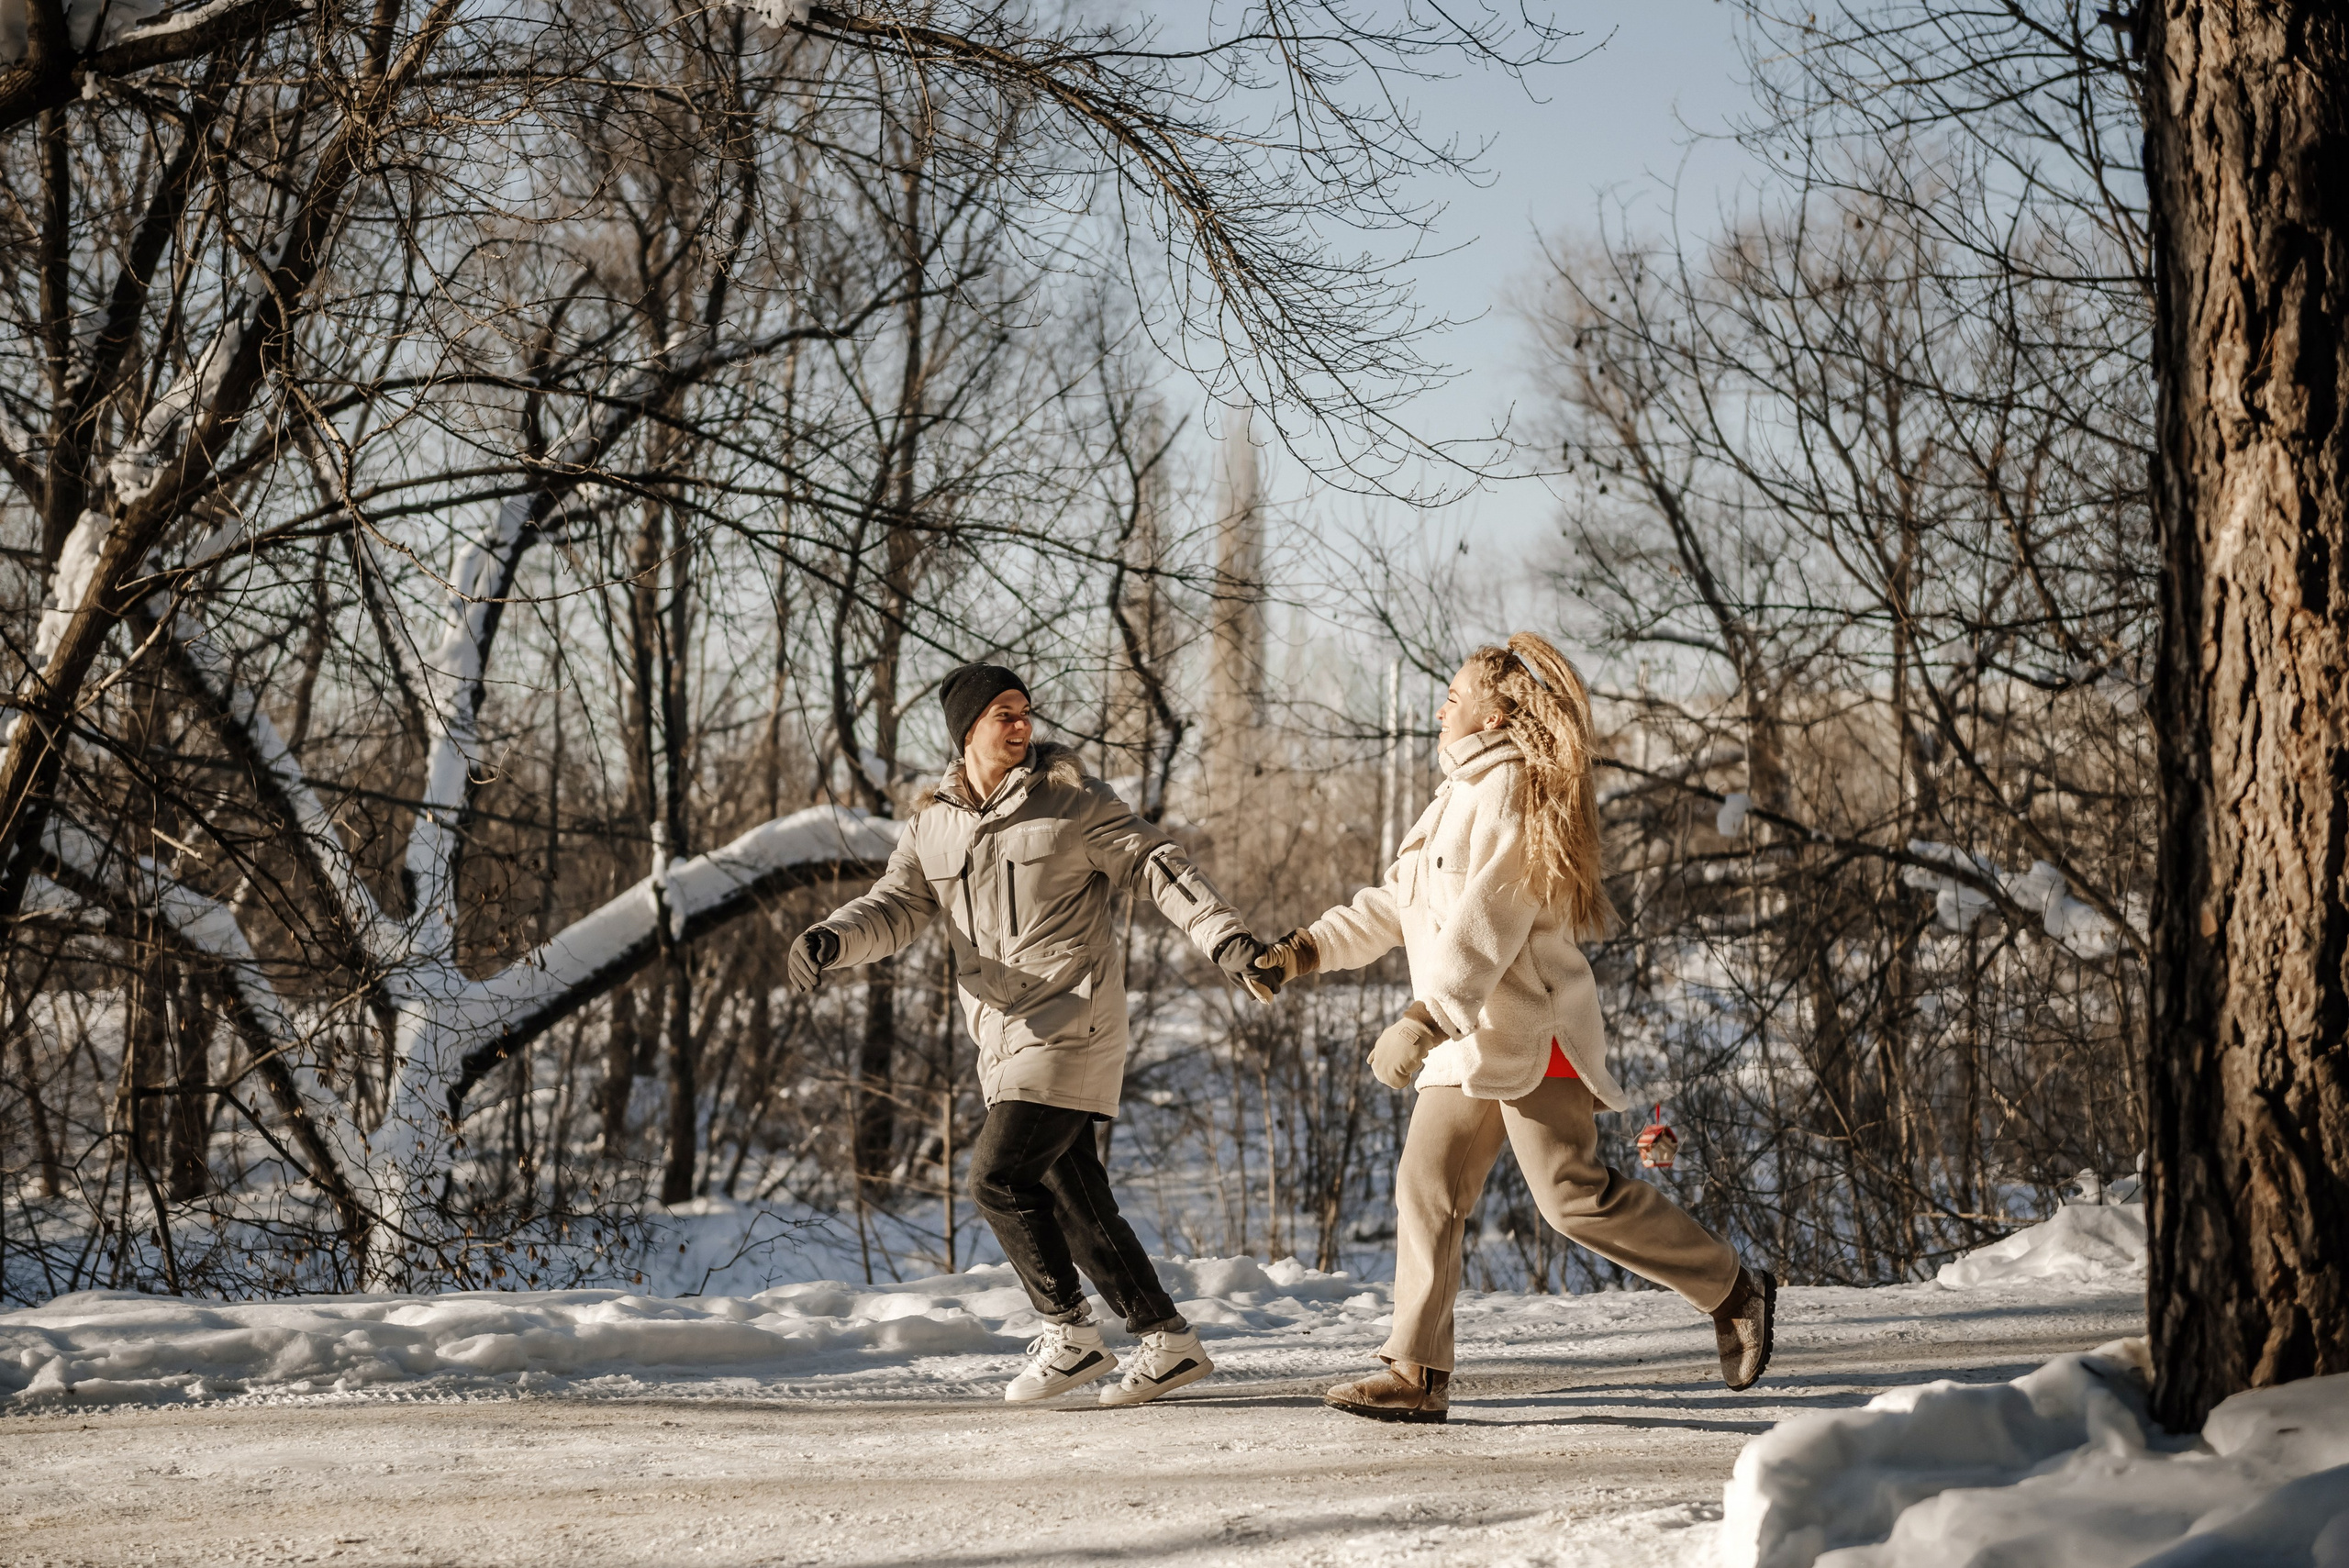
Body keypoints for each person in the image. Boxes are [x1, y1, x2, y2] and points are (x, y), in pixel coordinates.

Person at [1252, 633, 1776, 1424]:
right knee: (1425, 1185)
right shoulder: (1449, 799)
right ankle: (1415, 1372)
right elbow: (1397, 906)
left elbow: (1491, 918)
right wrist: (1304, 950)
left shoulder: (1516, 789)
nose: (1442, 707)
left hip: (1532, 1032)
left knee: (1571, 1200)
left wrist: (1426, 1013)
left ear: (1496, 712)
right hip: (1467, 1042)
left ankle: (1733, 1287)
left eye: (1455, 695)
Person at [788, 662, 1278, 1407]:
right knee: (1073, 1195)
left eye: (1024, 711)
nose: (1021, 725)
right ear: (967, 732)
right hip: (1002, 1036)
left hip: (1070, 1020)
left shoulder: (1073, 801)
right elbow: (895, 906)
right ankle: (1168, 1340)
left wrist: (1228, 939)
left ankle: (1071, 1332)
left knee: (996, 1176)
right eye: (1003, 714)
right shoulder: (932, 825)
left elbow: (1156, 863)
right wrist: (831, 937)